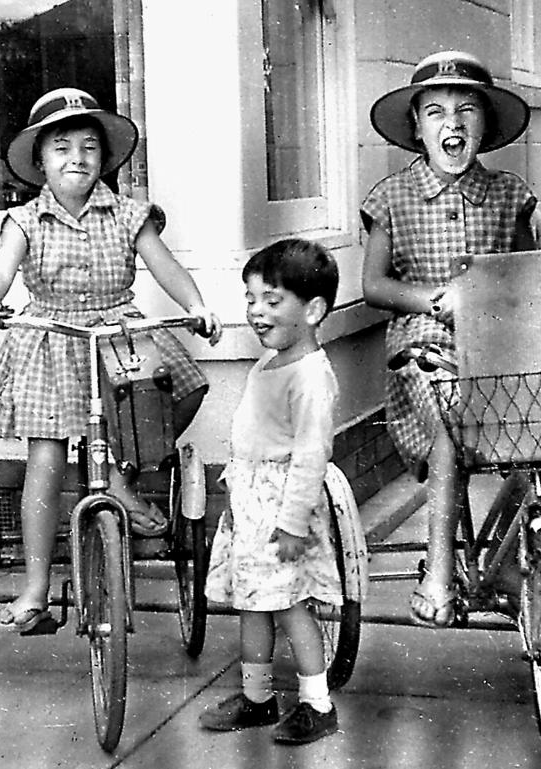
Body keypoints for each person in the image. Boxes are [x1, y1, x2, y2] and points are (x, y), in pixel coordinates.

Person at [0, 87, 222, 633]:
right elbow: (1, 270)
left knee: (181, 389)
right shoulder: (26, 221)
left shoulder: (129, 215)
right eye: (61, 147)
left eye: (88, 147)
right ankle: (34, 587)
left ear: (105, 158)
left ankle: (121, 476)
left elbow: (164, 266)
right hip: (51, 340)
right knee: (47, 458)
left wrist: (196, 305)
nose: (76, 158)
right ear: (39, 162)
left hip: (116, 335)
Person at [360, 51, 541, 627]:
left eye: (468, 110)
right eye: (437, 111)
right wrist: (435, 299)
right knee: (449, 426)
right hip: (425, 339)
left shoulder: (510, 194)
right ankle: (439, 568)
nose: (454, 123)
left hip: (496, 339)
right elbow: (374, 285)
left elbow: (530, 271)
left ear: (486, 127)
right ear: (417, 127)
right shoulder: (392, 198)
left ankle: (511, 559)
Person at [199, 239, 341, 745]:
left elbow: (310, 455)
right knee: (253, 603)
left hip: (283, 510)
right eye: (251, 298)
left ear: (314, 310)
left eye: (272, 300)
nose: (257, 311)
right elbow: (250, 435)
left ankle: (317, 703)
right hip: (251, 505)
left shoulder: (310, 377)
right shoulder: (270, 363)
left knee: (289, 605)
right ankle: (258, 698)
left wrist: (292, 522)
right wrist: (236, 498)